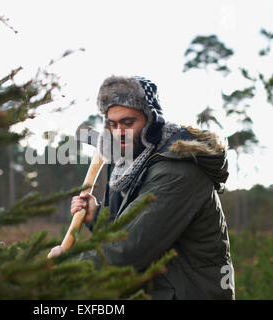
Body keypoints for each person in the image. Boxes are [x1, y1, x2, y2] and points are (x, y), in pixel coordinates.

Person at [71, 75, 235, 300]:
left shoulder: (176, 171)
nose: (119, 132)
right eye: (113, 124)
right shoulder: (135, 168)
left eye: (128, 123)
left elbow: (127, 250)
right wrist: (96, 216)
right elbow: (134, 229)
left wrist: (65, 269)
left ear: (151, 121)